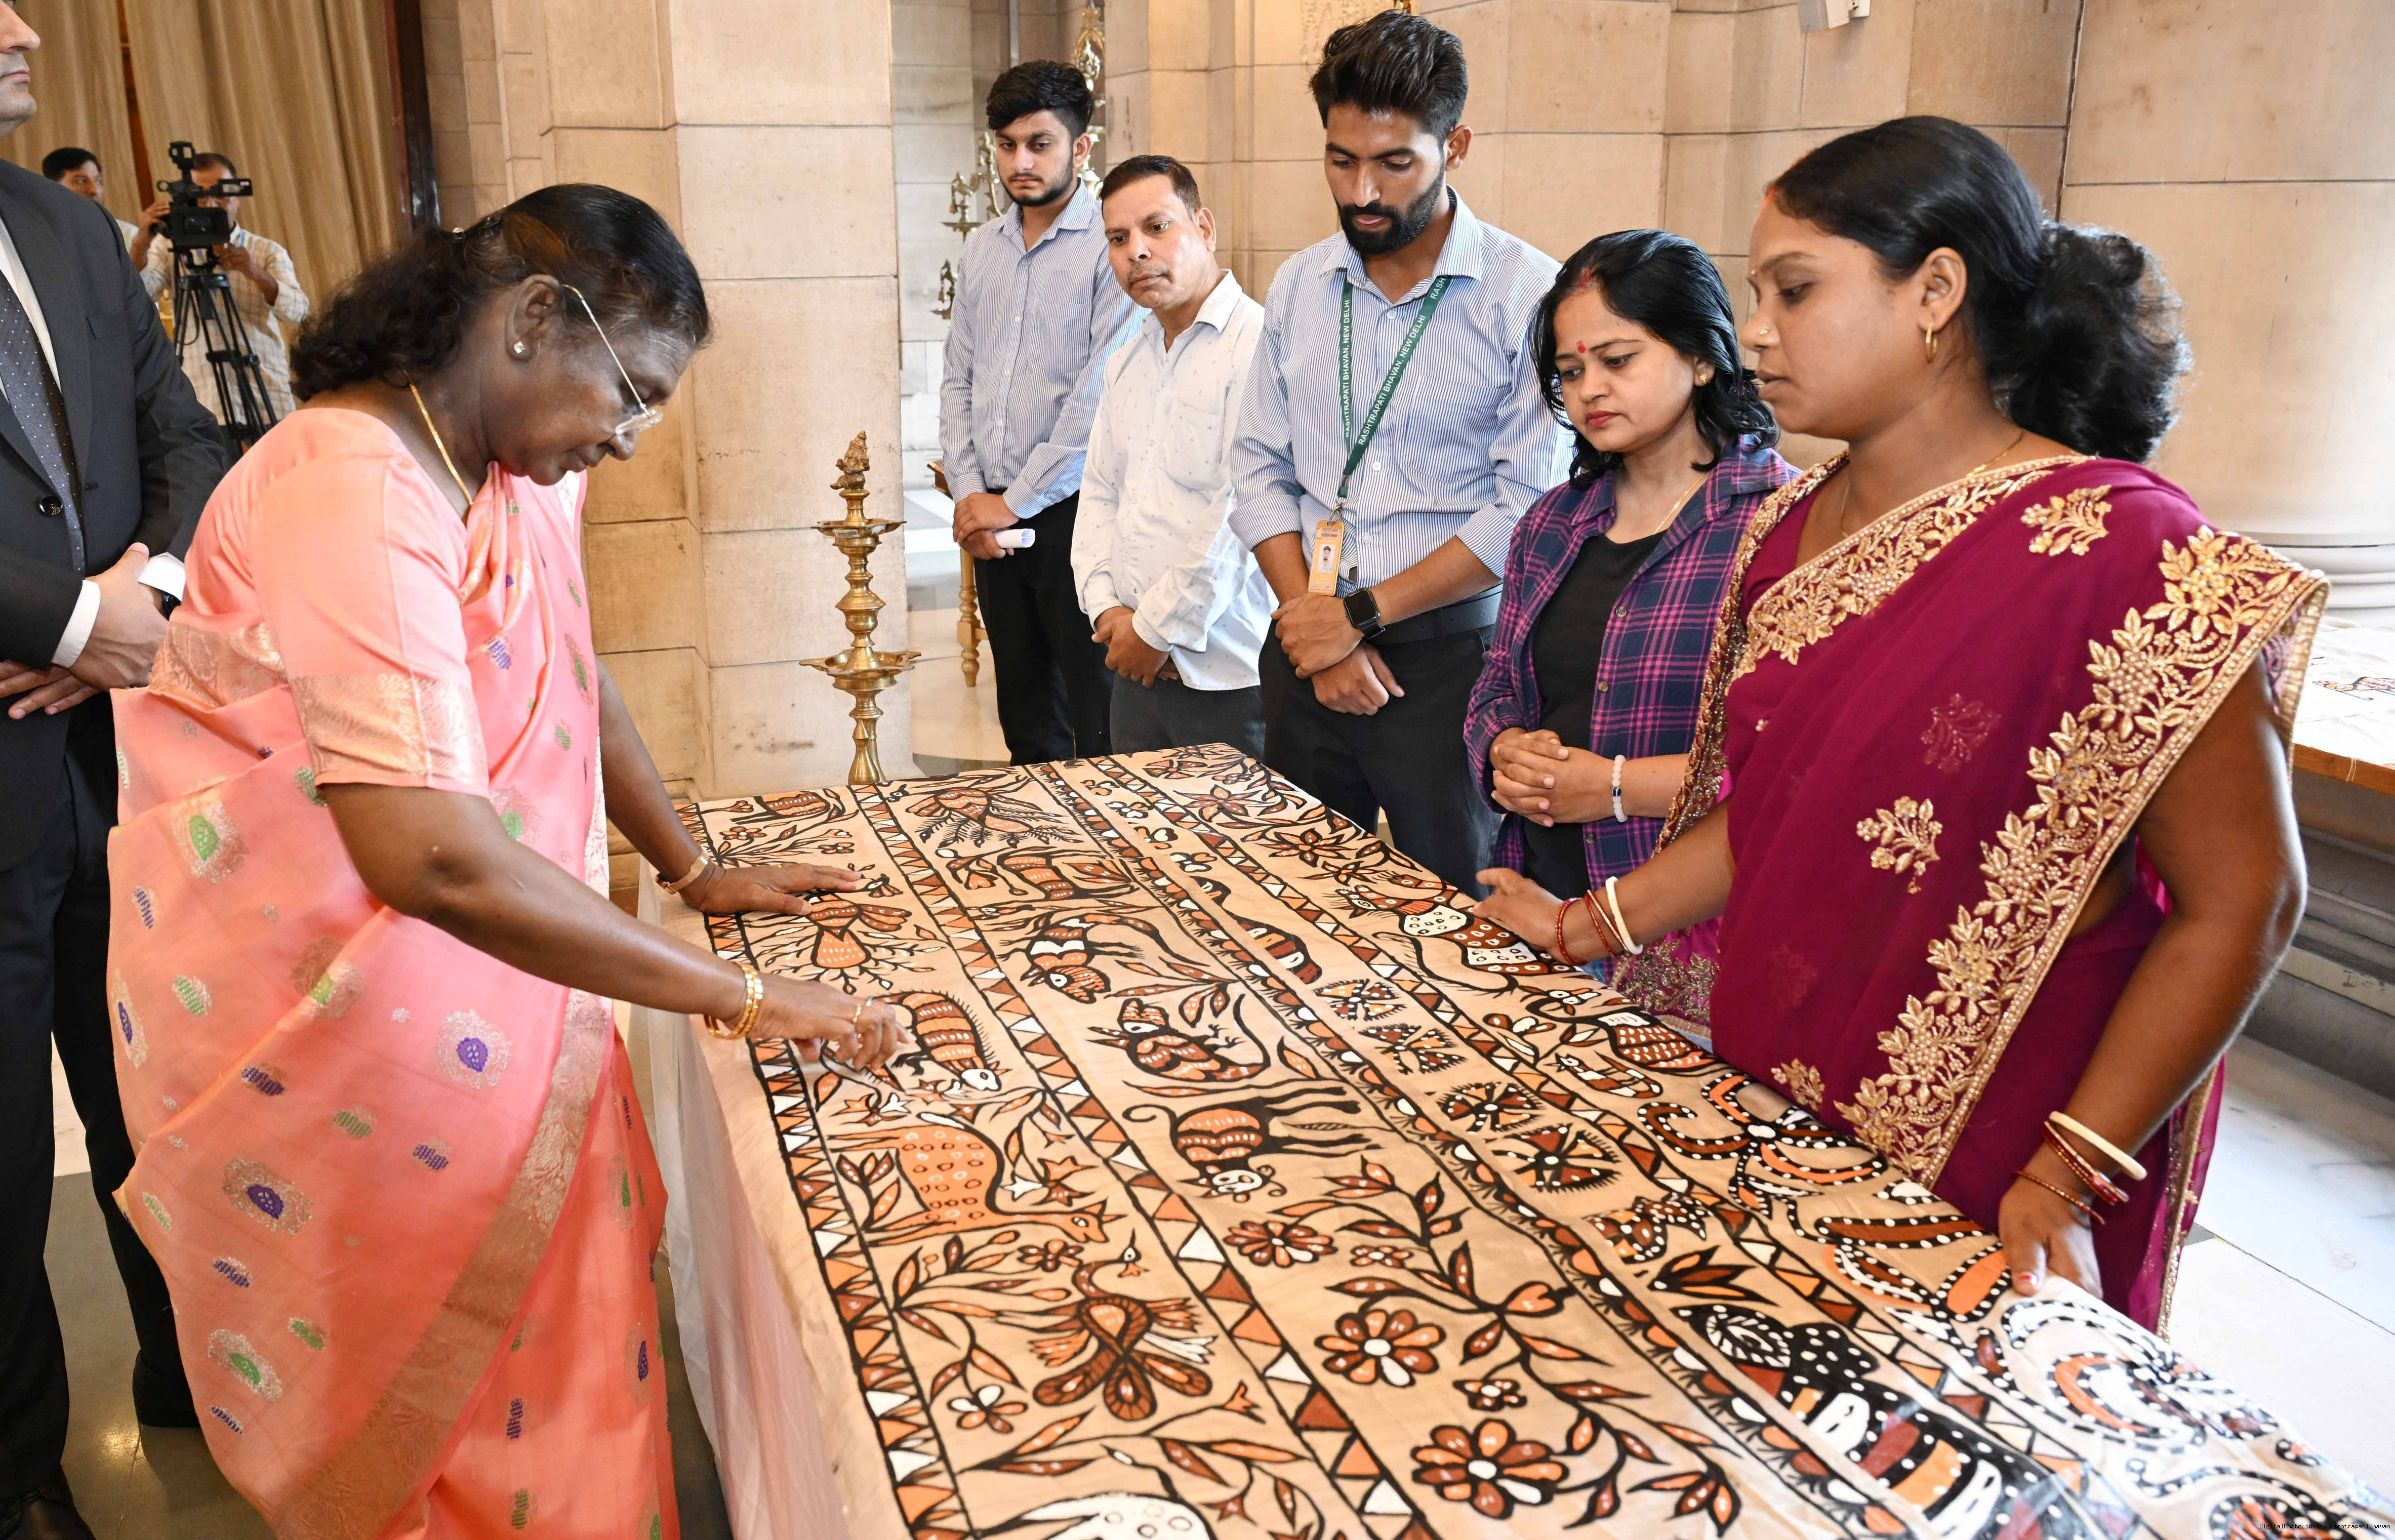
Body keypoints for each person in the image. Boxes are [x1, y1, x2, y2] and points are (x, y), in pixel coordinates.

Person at [106, 185, 911, 1538]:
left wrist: (690, 865)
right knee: (432, 1367)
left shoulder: (507, 465)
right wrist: (746, 995)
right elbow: (432, 859)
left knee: (565, 1317)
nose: (633, 436)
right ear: (534, 318)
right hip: (342, 1019)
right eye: (631, 392)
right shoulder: (351, 489)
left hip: (495, 996)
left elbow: (568, 666)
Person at [1471, 118, 2321, 1332]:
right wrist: (1584, 925)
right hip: (1775, 1071)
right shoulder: (1790, 536)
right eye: (1754, 295)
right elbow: (1771, 812)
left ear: (1934, 292)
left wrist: (2065, 1173)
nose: (1756, 332)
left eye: (1794, 290)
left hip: (2005, 1133)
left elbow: (2247, 898)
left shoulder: (2121, 549)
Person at [0, 9, 233, 1537]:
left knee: (154, 1097)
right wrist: (74, 622)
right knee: (6, 1157)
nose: (25, 28)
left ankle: (189, 1369)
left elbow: (188, 441)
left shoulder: (70, 227)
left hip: (114, 761)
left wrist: (128, 604)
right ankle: (21, 1472)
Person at [1229, 11, 1567, 896]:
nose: (1362, 192)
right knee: (1298, 898)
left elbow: (1526, 509)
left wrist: (1360, 616)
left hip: (1451, 665)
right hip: (1304, 644)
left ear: (1455, 146)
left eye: (1393, 163)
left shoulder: (1526, 295)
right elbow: (1259, 469)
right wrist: (1317, 626)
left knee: (1459, 907)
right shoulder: (1300, 283)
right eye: (1341, 161)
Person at [1463, 230, 1791, 1018]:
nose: (1590, 390)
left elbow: (1788, 768)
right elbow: (1495, 687)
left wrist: (1608, 788)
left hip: (1683, 938)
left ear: (1701, 357)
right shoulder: (1551, 522)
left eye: (1617, 360)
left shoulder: (1780, 526)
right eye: (1570, 372)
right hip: (1533, 899)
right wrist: (1504, 749)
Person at [941, 62, 1138, 764]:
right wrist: (971, 496)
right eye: (1006, 145)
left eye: (1039, 144)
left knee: (1097, 717)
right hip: (991, 516)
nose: (1019, 162)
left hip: (1076, 511)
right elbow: (957, 379)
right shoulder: (981, 249)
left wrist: (1014, 502)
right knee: (1025, 718)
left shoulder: (1111, 245)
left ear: (1080, 148)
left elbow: (1101, 394)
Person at [1072, 155, 1271, 758]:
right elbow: (1100, 491)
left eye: (1157, 227)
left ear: (1204, 227)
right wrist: (1106, 610)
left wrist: (1154, 630)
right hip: (1131, 666)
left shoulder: (1257, 346)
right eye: (1118, 238)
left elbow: (1241, 512)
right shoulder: (1129, 359)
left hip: (1227, 675)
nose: (1136, 251)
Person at [140, 151, 308, 421]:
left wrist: (255, 272)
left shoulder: (265, 250)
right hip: (203, 395)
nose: (211, 204)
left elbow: (300, 313)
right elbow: (141, 294)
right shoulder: (169, 248)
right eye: (200, 195)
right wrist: (141, 244)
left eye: (221, 194)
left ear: (236, 196)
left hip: (263, 391)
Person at [37, 147, 154, 291]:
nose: (95, 190)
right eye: (81, 181)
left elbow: (145, 293)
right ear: (51, 187)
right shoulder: (39, 238)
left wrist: (139, 249)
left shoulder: (128, 234)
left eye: (98, 180)